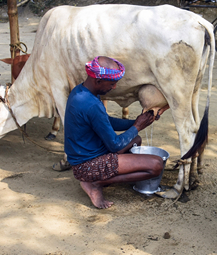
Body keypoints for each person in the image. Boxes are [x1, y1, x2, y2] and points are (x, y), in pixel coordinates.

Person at [64, 56, 167, 209]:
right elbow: (115, 146)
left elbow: (105, 121)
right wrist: (137, 126)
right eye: (112, 83)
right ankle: (96, 182)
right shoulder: (91, 104)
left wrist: (135, 122)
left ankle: (106, 175)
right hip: (88, 165)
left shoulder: (81, 92)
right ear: (98, 81)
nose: (114, 87)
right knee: (156, 165)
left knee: (135, 140)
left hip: (85, 159)